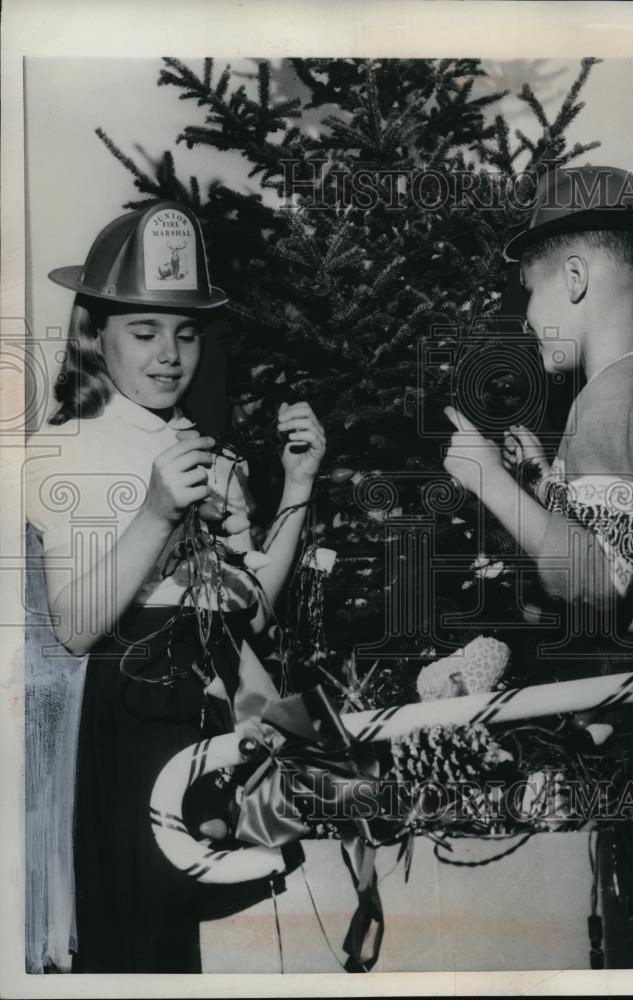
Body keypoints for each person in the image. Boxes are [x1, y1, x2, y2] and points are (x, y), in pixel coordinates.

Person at [25, 201, 326, 972]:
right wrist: (157, 511)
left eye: (185, 332)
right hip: (126, 724)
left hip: (209, 716)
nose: (169, 354)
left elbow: (250, 607)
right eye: (144, 330)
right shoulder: (61, 453)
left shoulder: (208, 452)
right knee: (134, 946)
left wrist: (298, 485)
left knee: (194, 952)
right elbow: (73, 626)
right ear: (95, 333)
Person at [442, 165, 633, 967]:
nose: (527, 317)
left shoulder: (611, 402)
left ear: (572, 278)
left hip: (632, 710)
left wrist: (494, 486)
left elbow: (595, 586)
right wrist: (544, 489)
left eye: (528, 292)